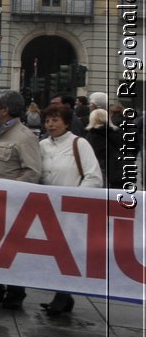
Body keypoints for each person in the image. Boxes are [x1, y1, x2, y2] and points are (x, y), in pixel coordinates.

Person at [38, 103, 104, 316]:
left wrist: (73, 200)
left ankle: (62, 296)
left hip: (70, 211)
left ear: (67, 123)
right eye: (48, 120)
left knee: (66, 256)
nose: (50, 124)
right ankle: (63, 296)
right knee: (51, 255)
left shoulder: (79, 144)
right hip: (47, 210)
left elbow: (93, 177)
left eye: (55, 120)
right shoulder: (42, 146)